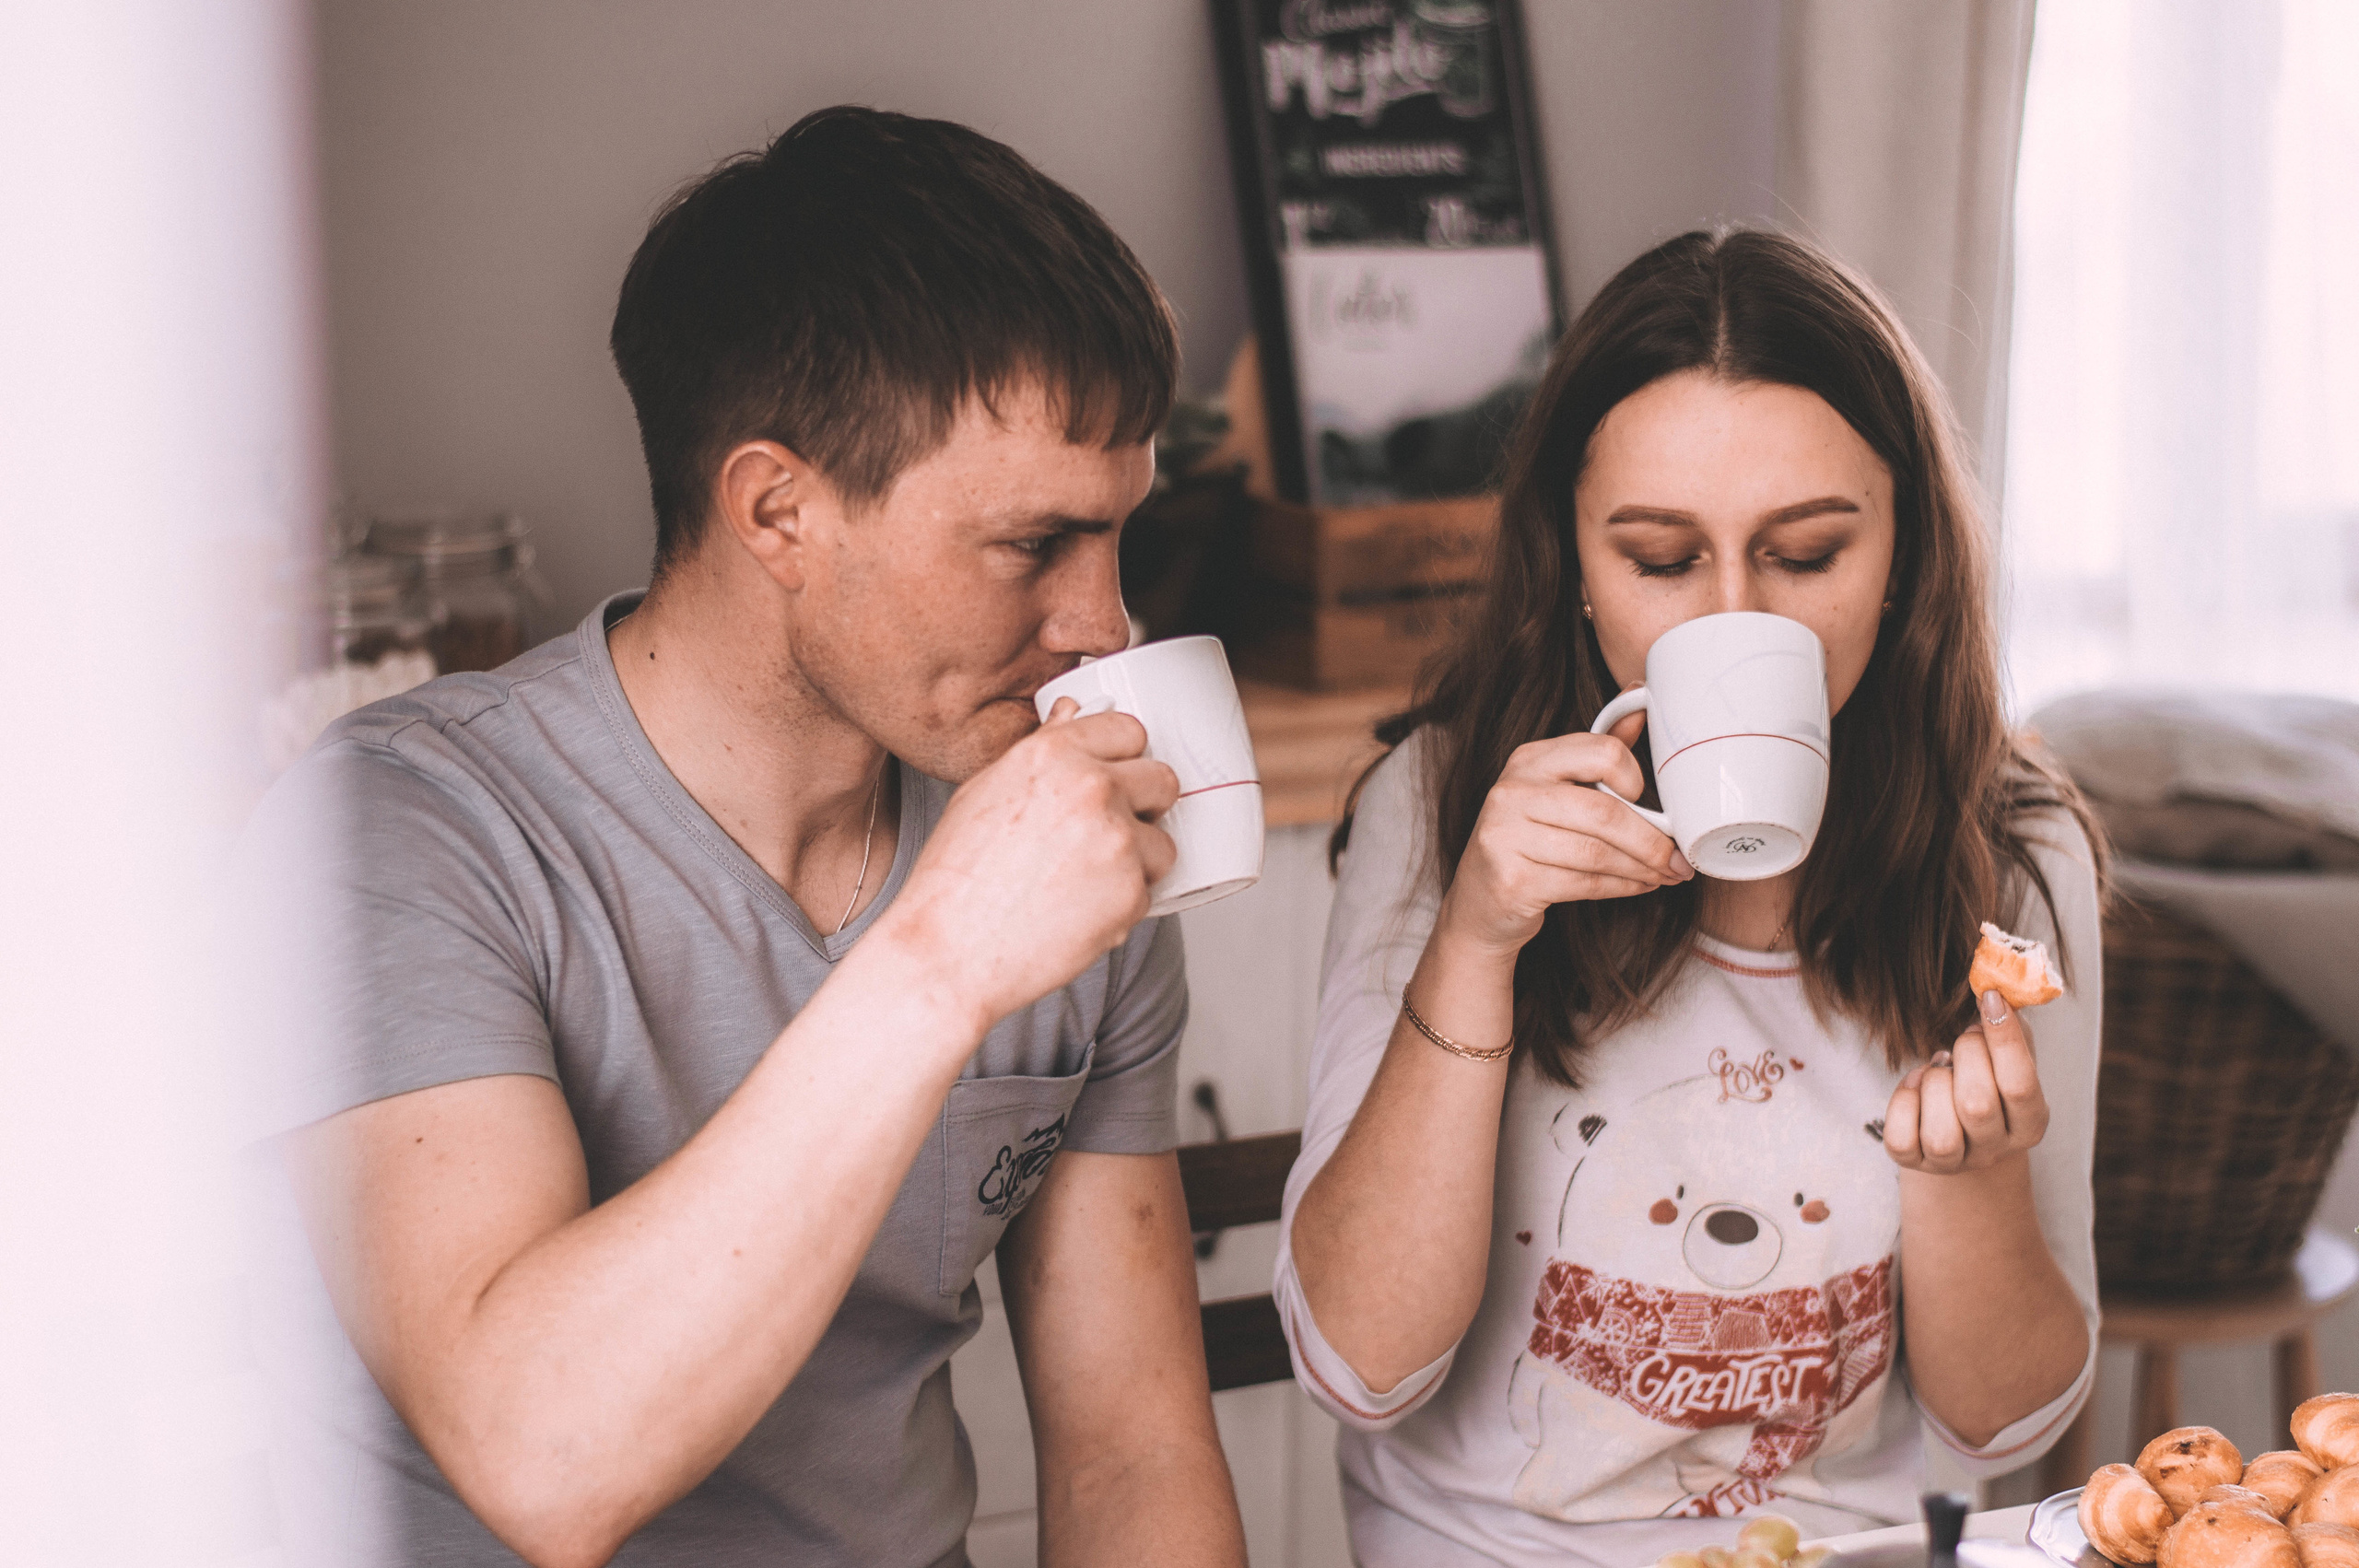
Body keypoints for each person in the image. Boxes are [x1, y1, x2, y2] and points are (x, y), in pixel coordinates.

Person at [242, 106, 1248, 1568]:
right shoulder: (399, 832)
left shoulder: (1046, 835)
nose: (1103, 624)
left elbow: (1130, 1447)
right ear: (780, 510)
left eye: (1118, 536)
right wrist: (945, 959)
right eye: (1034, 545)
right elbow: (543, 1455)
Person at [1273, 228, 2107, 1567]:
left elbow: (2008, 1421)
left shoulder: (2007, 847)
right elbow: (1360, 1364)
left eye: (1807, 553)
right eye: (1662, 560)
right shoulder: (1442, 812)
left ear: (1900, 559)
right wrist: (1478, 940)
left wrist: (1967, 1182)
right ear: (1577, 571)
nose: (1732, 619)